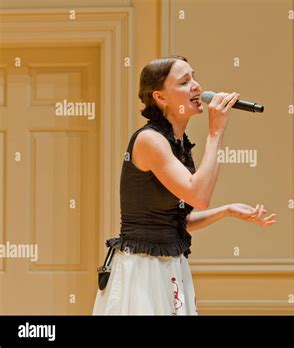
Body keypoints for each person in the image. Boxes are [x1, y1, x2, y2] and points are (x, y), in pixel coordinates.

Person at [92, 55, 276, 315]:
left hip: (169, 267)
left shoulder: (177, 144)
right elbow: (199, 195)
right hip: (142, 270)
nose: (197, 86)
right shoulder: (150, 140)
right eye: (184, 82)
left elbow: (177, 220)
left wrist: (227, 211)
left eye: (194, 77)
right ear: (160, 97)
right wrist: (215, 132)